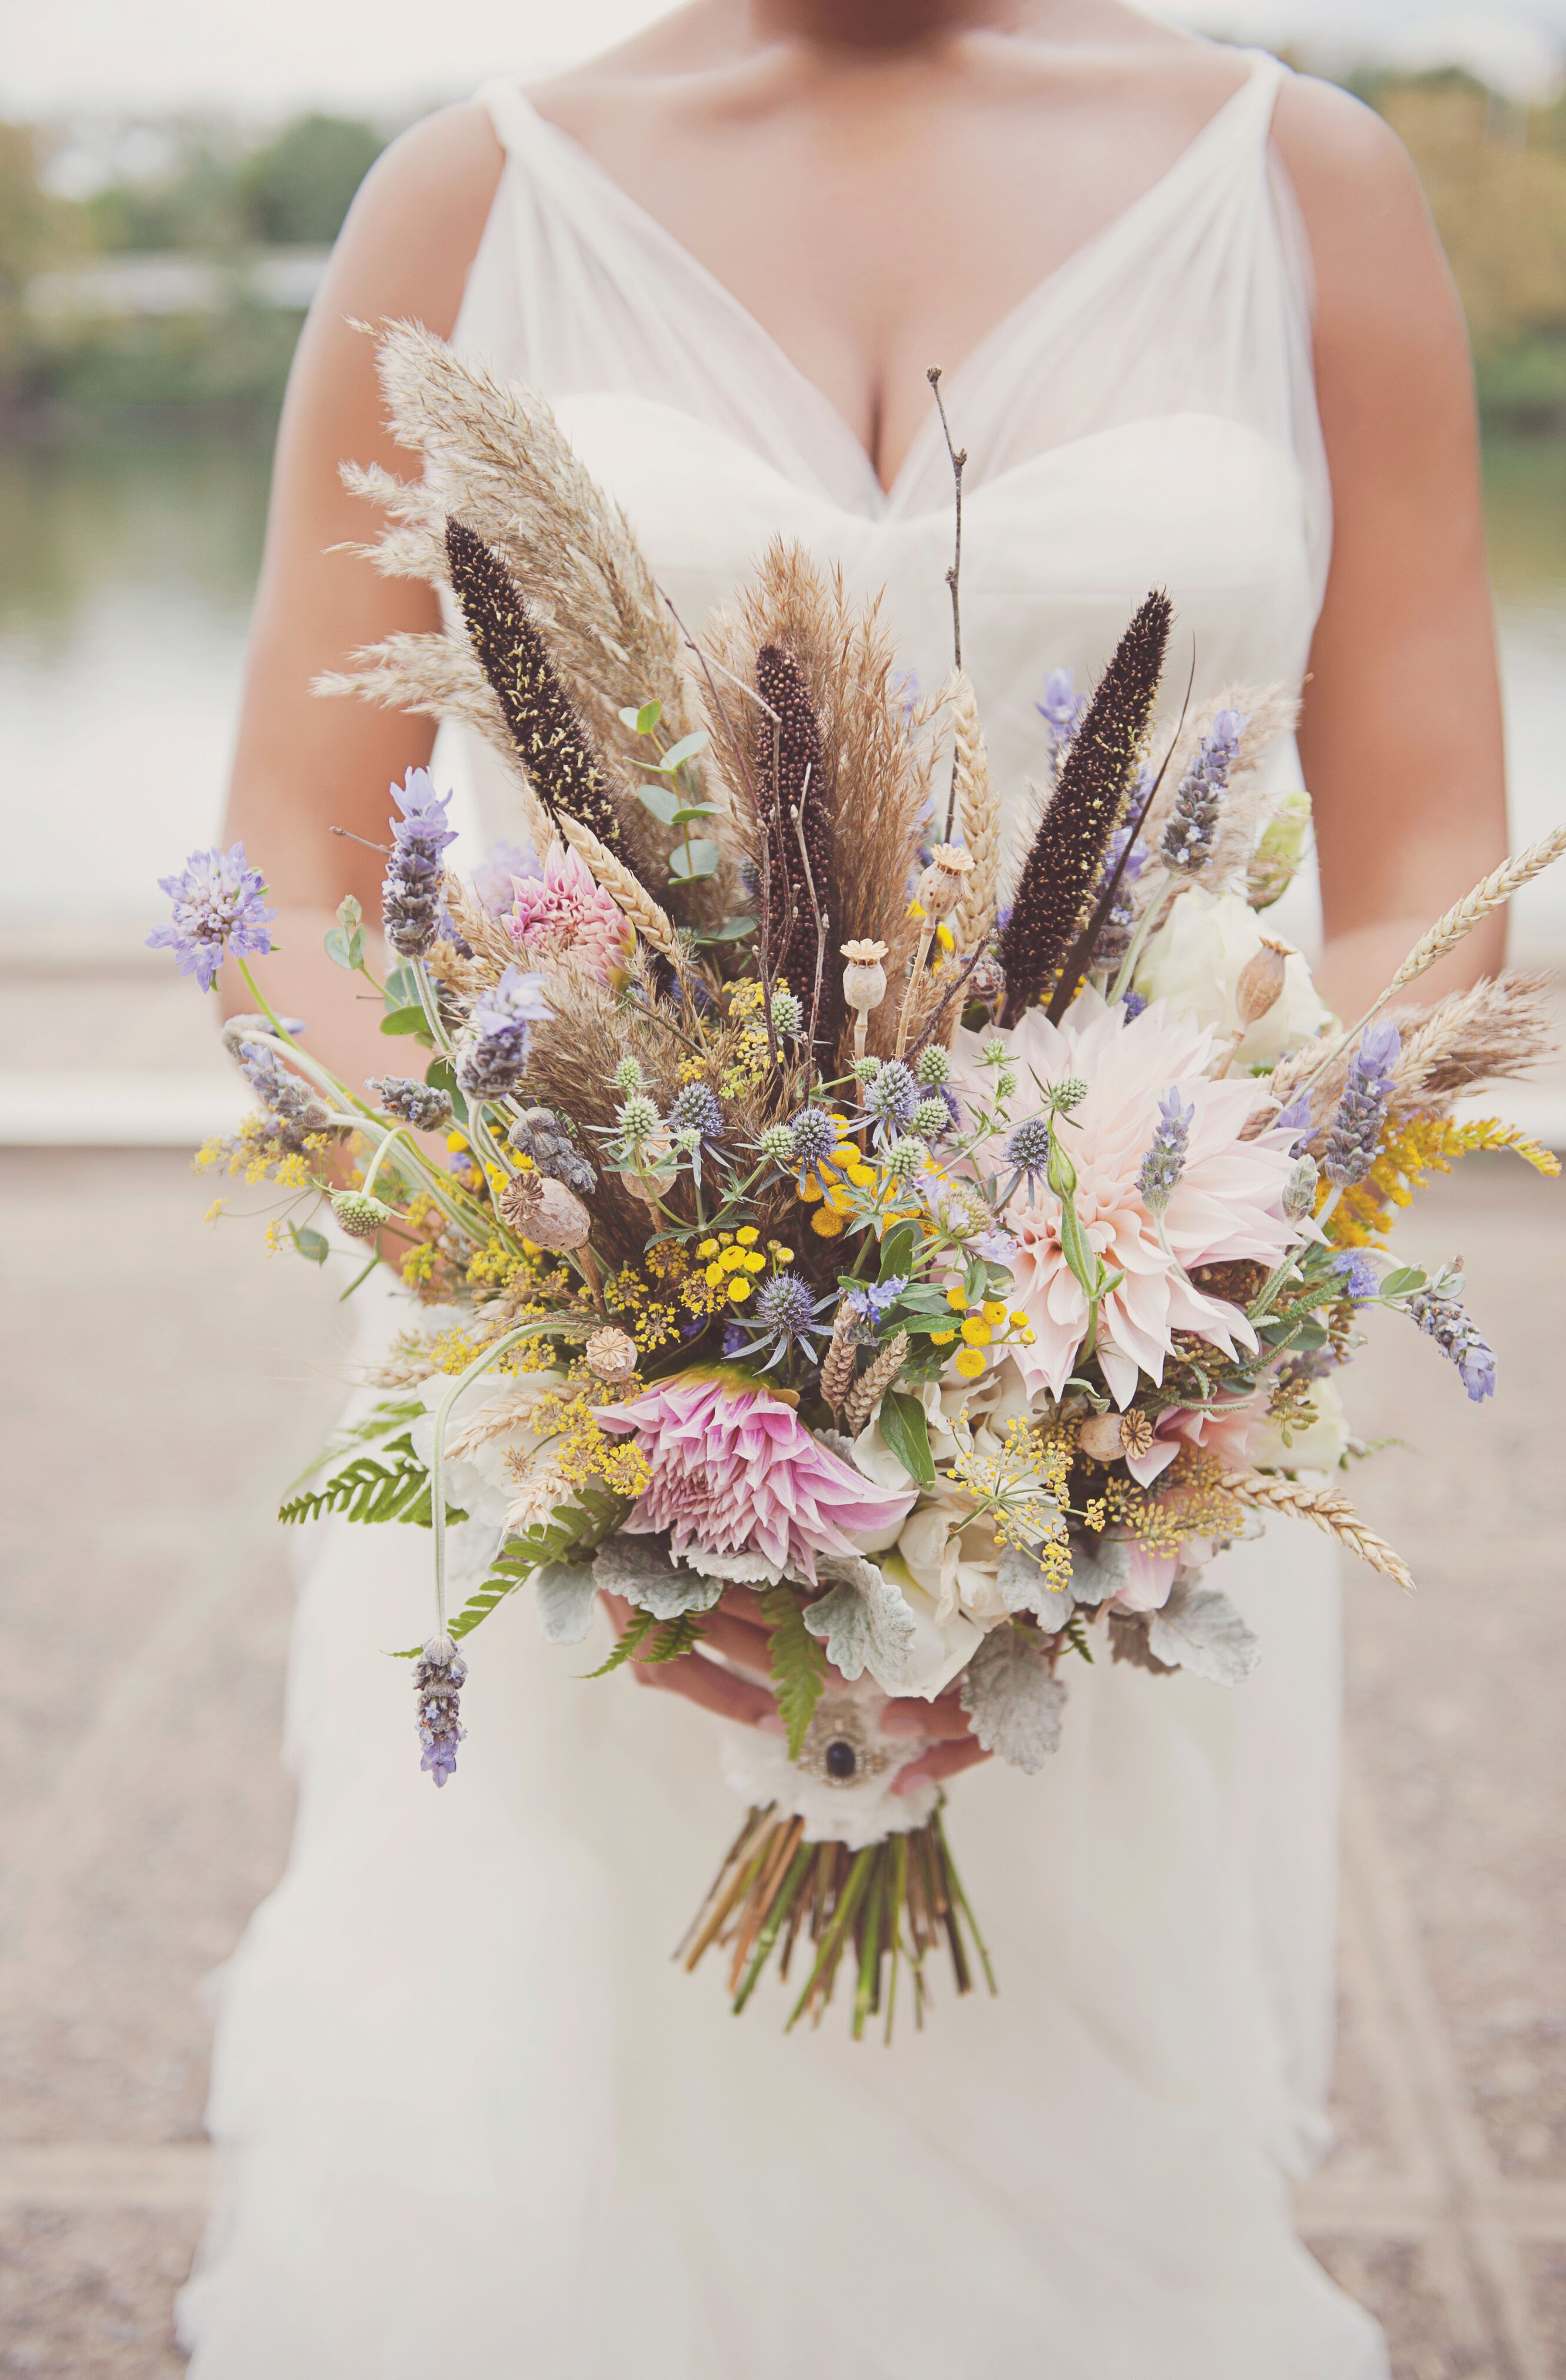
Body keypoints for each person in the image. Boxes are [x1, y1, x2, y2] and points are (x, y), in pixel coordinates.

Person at [178, 5, 1508, 2374]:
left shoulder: (1305, 183)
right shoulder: (465, 202)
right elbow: (292, 859)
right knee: (550, 2194)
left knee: (1073, 2200)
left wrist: (1192, 1298)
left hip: (1120, 1400)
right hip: (569, 1439)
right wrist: (581, 1321)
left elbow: (1427, 858)